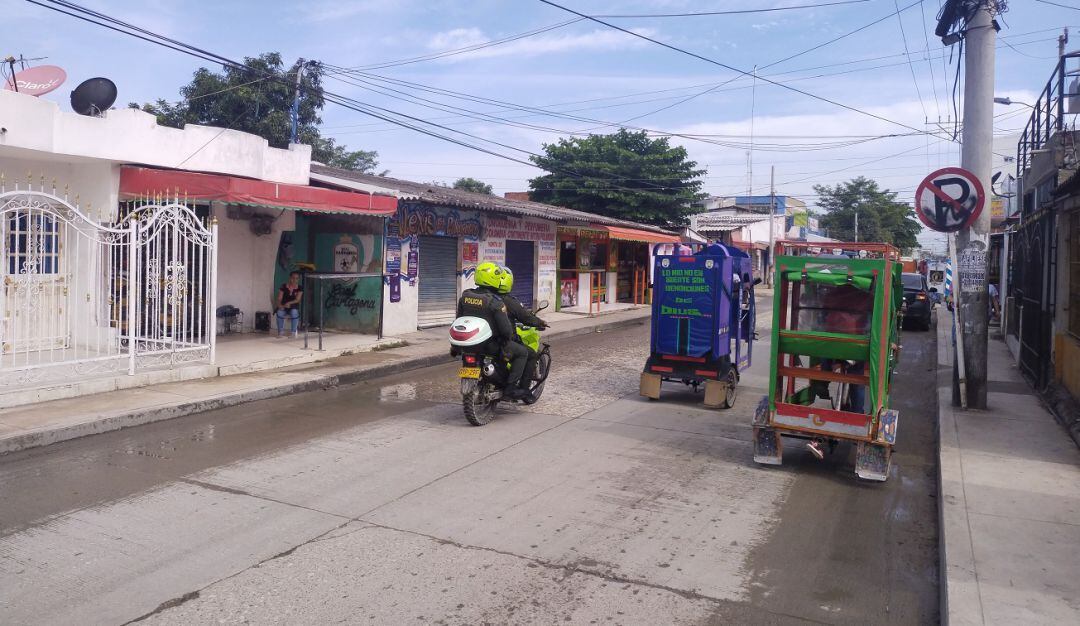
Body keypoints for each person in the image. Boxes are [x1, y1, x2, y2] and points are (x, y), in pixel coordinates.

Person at [457, 262, 529, 401]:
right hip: (490, 344)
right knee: (522, 352)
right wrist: (508, 338)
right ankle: (510, 389)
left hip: (470, 344)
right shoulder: (495, 302)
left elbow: (459, 318)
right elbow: (506, 330)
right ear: (493, 279)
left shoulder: (465, 296)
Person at [497, 267, 548, 395]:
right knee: (528, 354)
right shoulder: (507, 301)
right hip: (503, 341)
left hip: (486, 340)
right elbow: (525, 317)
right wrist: (540, 322)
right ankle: (521, 389)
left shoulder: (483, 297)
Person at [276, 271, 303, 338]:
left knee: (294, 312)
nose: (294, 280)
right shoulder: (283, 286)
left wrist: (289, 303)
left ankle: (293, 332)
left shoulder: (300, 288)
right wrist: (280, 305)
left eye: (296, 278)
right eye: (293, 278)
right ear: (290, 278)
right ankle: (280, 332)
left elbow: (298, 299)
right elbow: (279, 298)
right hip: (284, 305)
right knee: (279, 312)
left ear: (298, 279)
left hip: (293, 306)